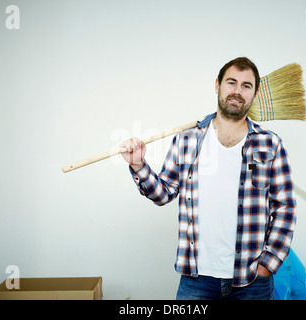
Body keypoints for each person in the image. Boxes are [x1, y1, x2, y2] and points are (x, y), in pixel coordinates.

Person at [120, 57, 296, 300]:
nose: (237, 91)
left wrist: (268, 264)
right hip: (197, 280)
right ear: (217, 86)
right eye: (231, 82)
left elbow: (285, 207)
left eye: (246, 86)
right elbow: (163, 194)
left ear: (255, 95)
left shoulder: (271, 143)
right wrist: (138, 165)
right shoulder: (187, 139)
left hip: (252, 279)